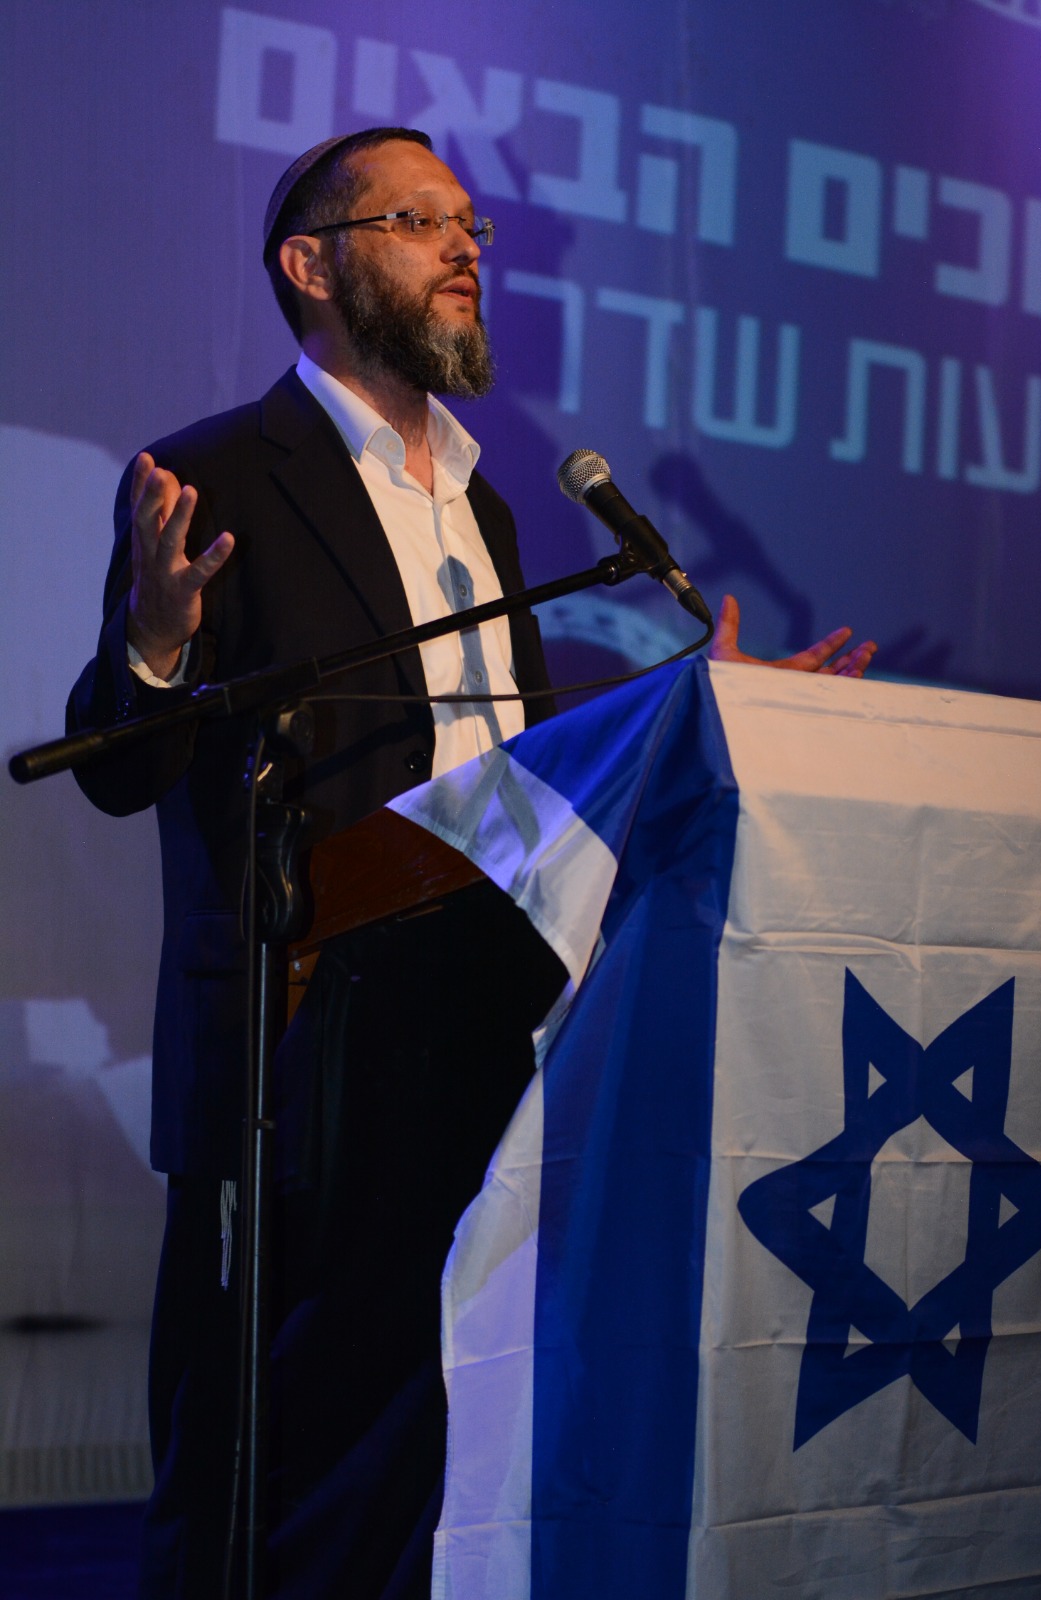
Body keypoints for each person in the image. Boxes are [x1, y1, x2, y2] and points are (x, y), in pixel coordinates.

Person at [67, 127, 875, 1599]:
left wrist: (693, 708)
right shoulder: (214, 474)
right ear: (312, 265)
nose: (464, 249)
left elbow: (503, 771)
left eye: (472, 226)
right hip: (299, 1053)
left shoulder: (485, 506)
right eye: (419, 220)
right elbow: (120, 768)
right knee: (259, 1470)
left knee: (436, 1465)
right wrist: (156, 642)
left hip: (483, 1028)